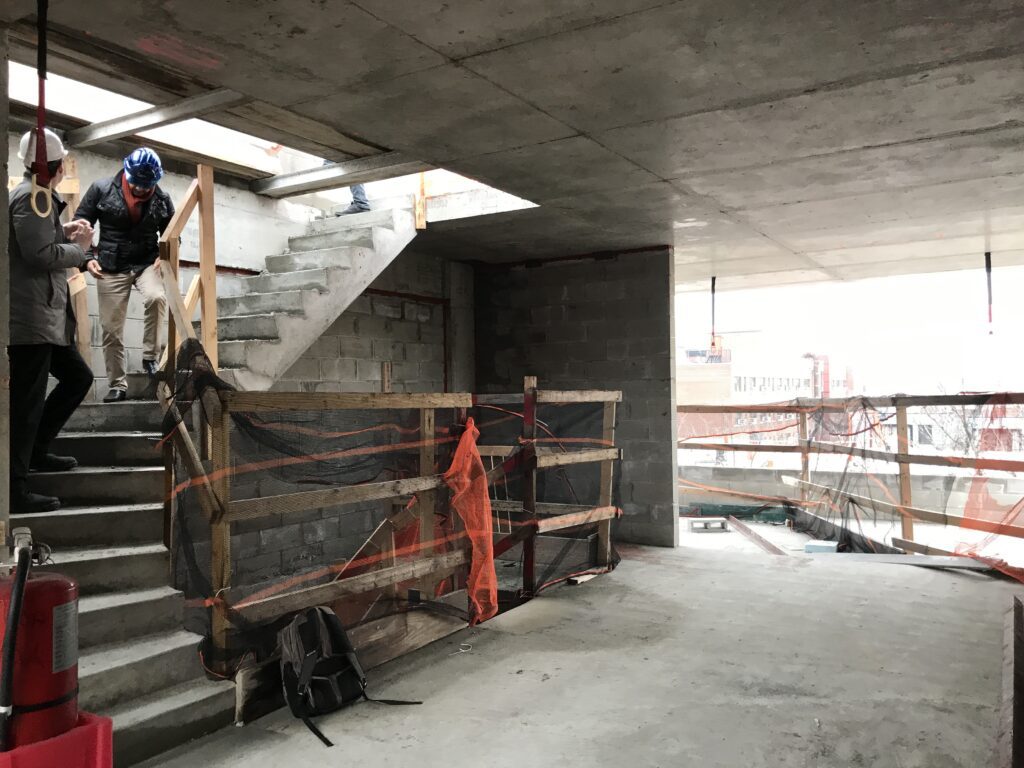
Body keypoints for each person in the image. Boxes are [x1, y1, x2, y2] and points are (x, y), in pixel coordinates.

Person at [9, 129, 102, 513]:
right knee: (25, 405)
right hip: (29, 320)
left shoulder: (36, 197)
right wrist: (78, 251)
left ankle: (37, 451)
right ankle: (14, 489)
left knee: (77, 378)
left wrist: (63, 230)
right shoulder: (33, 197)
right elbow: (38, 254)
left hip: (43, 318)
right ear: (54, 164)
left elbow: (34, 239)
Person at [75, 148, 173, 402]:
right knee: (111, 329)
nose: (140, 190)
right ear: (126, 172)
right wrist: (86, 260)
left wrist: (166, 253)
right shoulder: (101, 189)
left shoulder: (163, 200)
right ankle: (117, 384)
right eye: (136, 184)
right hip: (110, 264)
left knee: (157, 297)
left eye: (146, 186)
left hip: (145, 263)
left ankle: (151, 357)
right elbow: (80, 223)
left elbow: (173, 232)